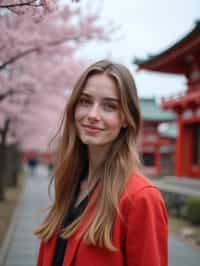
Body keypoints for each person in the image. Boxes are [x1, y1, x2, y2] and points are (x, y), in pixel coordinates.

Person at [34, 60, 168, 266]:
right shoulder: (69, 182)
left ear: (126, 118)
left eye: (109, 106)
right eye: (85, 102)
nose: (92, 115)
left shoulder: (141, 199)